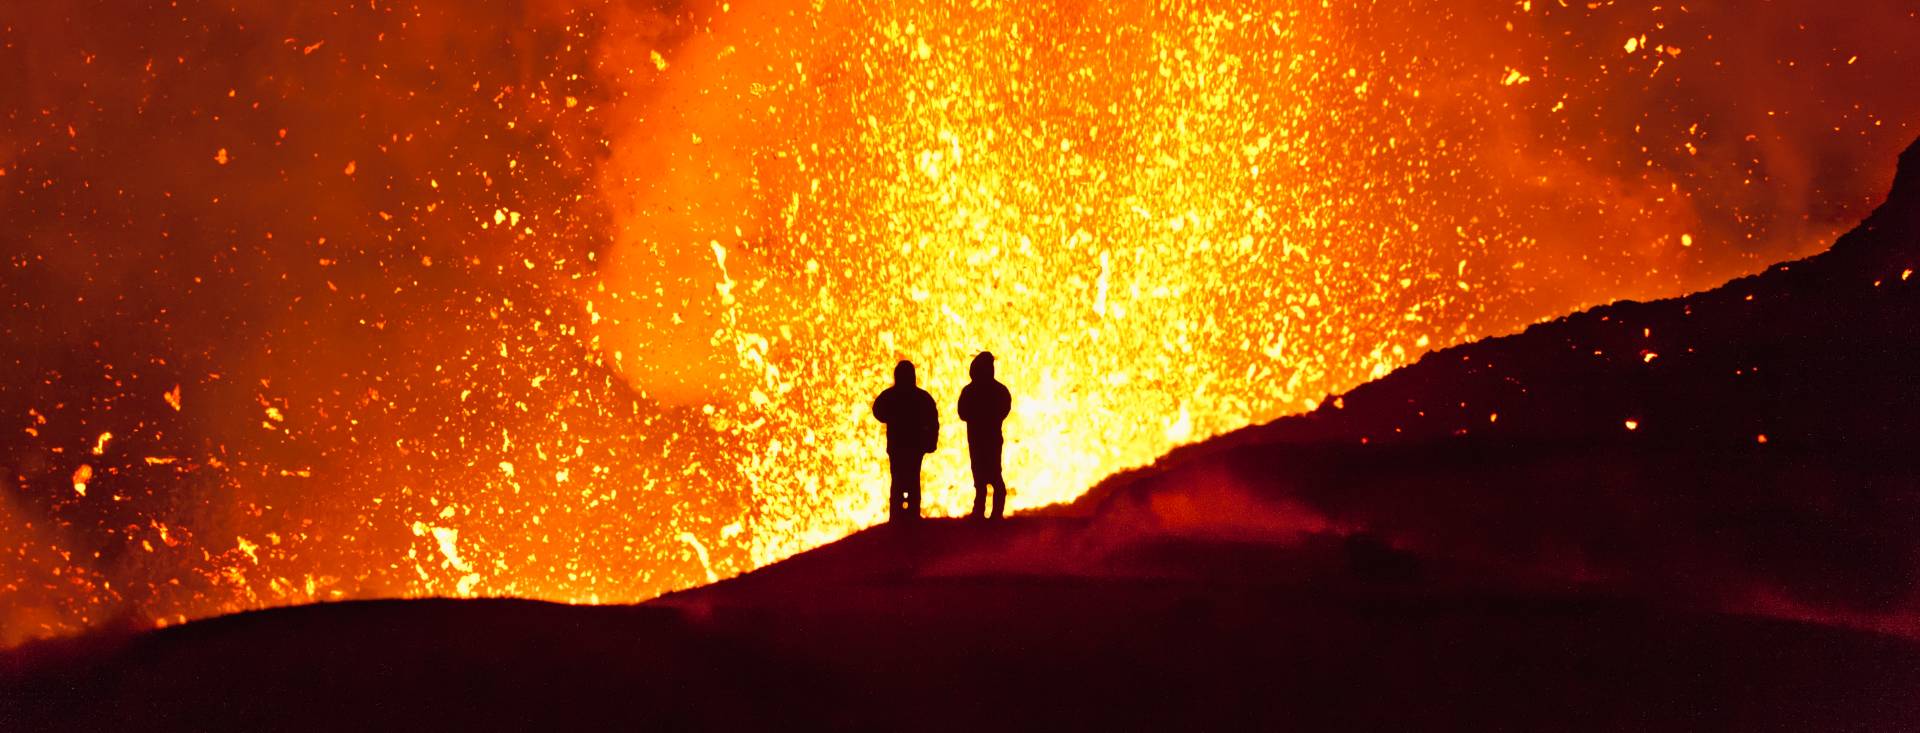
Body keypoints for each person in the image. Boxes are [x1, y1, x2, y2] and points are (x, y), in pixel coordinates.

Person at [872, 360, 938, 522]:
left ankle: (897, 515)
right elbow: (933, 421)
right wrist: (931, 441)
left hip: (897, 445)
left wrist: (892, 417)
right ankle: (912, 514)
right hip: (915, 446)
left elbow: (878, 411)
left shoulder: (891, 396)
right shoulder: (922, 397)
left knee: (898, 479)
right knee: (912, 478)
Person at [957, 351, 1011, 519]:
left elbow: (963, 413)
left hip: (981, 438)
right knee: (985, 476)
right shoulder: (999, 390)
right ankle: (989, 512)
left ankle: (984, 512)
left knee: (989, 476)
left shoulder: (971, 391)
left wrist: (979, 419)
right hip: (988, 438)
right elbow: (963, 412)